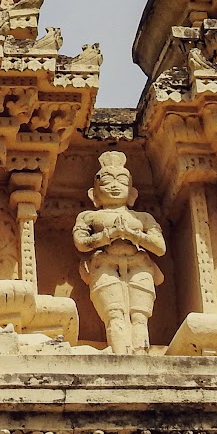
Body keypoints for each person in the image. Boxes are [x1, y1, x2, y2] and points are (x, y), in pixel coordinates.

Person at [72, 152, 166, 354]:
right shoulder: (90, 217)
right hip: (104, 264)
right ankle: (120, 355)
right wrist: (108, 236)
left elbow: (160, 247)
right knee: (114, 314)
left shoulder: (142, 217)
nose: (114, 186)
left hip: (139, 264)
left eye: (121, 181)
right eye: (106, 181)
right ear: (94, 194)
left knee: (139, 316)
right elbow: (81, 243)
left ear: (132, 193)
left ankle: (140, 356)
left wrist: (133, 235)